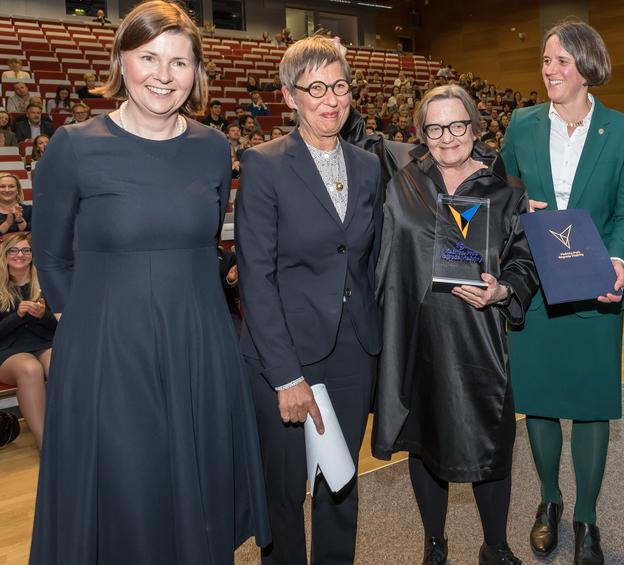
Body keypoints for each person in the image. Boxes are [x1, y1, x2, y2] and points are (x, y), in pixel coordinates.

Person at [29, 2, 270, 563]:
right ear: (121, 60)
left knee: (197, 498)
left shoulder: (214, 149)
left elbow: (205, 240)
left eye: (180, 62)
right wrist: (82, 326)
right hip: (108, 351)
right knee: (125, 496)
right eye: (149, 57)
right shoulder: (73, 145)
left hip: (200, 342)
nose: (164, 75)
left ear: (197, 73)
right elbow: (50, 252)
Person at [372, 85, 536, 565]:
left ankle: (495, 545)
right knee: (425, 442)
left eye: (458, 125)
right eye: (436, 127)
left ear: (476, 128)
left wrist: (503, 290)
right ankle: (434, 543)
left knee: (491, 442)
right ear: (421, 133)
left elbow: (523, 263)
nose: (447, 137)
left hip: (477, 339)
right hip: (414, 336)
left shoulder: (505, 192)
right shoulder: (401, 177)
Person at [500, 20, 624, 565]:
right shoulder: (521, 123)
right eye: (545, 60)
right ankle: (549, 502)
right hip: (535, 289)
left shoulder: (623, 130)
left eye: (560, 60)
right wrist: (519, 206)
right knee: (538, 404)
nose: (550, 70)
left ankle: (586, 516)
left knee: (590, 407)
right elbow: (503, 192)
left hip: (595, 289)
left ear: (587, 66)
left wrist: (616, 260)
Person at [235, 35, 382, 565]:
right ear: (289, 96)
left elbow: (379, 250)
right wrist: (286, 376)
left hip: (352, 350)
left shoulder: (368, 165)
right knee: (285, 487)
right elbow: (256, 276)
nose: (331, 99)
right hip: (285, 353)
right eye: (315, 88)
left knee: (340, 483)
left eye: (340, 85)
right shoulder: (264, 164)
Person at [0, 233, 55, 450]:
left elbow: (64, 327)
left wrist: (43, 316)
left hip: (44, 344)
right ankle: (46, 445)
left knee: (62, 363)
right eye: (13, 250)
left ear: (32, 255)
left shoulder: (46, 282)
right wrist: (17, 316)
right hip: (8, 350)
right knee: (30, 369)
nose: (19, 255)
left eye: (25, 250)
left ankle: (72, 433)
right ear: (4, 255)